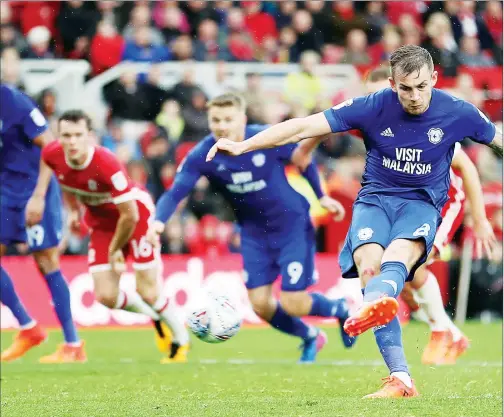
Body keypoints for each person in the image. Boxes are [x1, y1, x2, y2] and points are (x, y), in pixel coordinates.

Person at [206, 45, 502, 398]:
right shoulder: (373, 106)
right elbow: (303, 126)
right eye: (405, 88)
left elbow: (497, 141)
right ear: (392, 84)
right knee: (369, 269)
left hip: (421, 204)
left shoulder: (457, 111)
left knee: (399, 260)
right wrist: (243, 146)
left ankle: (389, 320)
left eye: (422, 87)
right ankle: (400, 374)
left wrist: (481, 218)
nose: (414, 96)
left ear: (434, 79)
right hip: (374, 200)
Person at [298, 66, 491, 365]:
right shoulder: (372, 113)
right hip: (398, 200)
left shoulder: (430, 117)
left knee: (413, 262)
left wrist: (478, 219)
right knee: (402, 280)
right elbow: (323, 126)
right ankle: (447, 330)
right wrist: (306, 148)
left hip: (441, 200)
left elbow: (465, 167)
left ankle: (442, 330)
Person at [147, 92, 356, 364]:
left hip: (290, 223)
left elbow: (302, 159)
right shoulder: (203, 154)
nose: (222, 126)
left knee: (293, 302)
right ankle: (310, 336)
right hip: (253, 232)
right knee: (260, 304)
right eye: (216, 120)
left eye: (228, 119)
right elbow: (176, 192)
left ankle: (338, 308)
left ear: (242, 119)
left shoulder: (266, 138)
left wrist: (321, 196)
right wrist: (158, 222)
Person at [27, 110, 189, 364]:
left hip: (136, 216)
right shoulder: (52, 155)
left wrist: (115, 251)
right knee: (105, 296)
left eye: (78, 135)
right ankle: (157, 317)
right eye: (66, 135)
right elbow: (65, 180)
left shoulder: (106, 163)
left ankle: (180, 340)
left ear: (90, 136)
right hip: (101, 223)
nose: (71, 142)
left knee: (147, 289)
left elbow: (129, 215)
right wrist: (72, 211)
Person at [0, 83, 84, 363]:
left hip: (35, 189)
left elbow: (51, 146)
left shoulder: (13, 101)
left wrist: (38, 196)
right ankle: (28, 327)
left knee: (46, 261)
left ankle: (73, 344)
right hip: (4, 191)